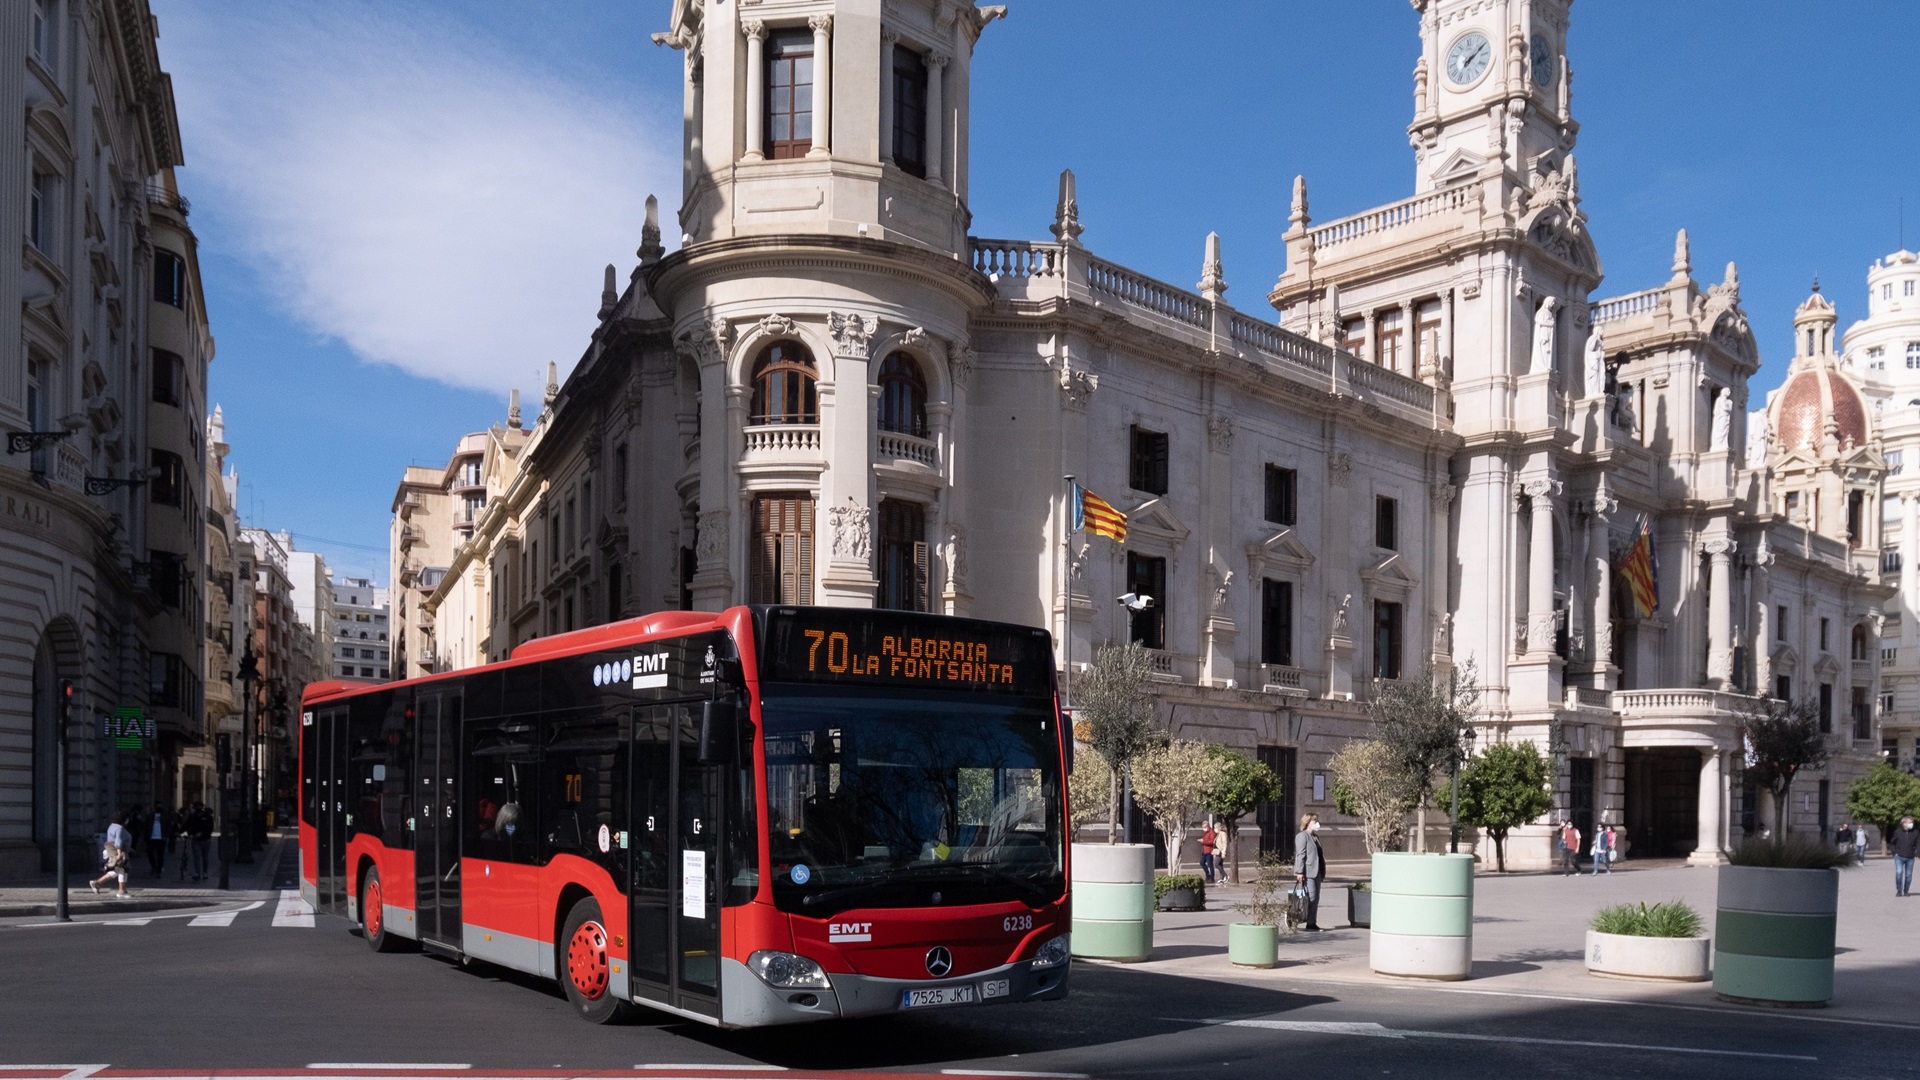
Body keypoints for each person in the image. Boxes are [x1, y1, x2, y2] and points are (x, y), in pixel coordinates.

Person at [1293, 812, 1326, 931]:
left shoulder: (1316, 837)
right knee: (1310, 897)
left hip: (1317, 872)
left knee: (1316, 898)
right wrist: (1299, 872)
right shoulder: (1302, 836)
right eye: (1314, 822)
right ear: (1307, 823)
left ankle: (1312, 922)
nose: (1317, 824)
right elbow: (1300, 854)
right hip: (1308, 872)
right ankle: (1304, 921)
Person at [90, 814, 133, 898]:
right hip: (118, 851)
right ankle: (120, 891)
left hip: (112, 850)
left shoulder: (112, 826)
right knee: (122, 869)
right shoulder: (119, 828)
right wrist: (119, 853)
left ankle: (100, 883)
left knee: (120, 870)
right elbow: (118, 841)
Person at [1891, 815, 1918, 897]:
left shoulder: (1915, 832)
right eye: (1909, 822)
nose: (1911, 824)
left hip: (1910, 857)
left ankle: (1906, 890)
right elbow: (1892, 843)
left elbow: (1918, 844)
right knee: (1899, 872)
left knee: (1908, 875)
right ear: (1904, 823)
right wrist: (1894, 852)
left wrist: (1918, 854)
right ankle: (1899, 890)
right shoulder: (1898, 832)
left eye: (1912, 822)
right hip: (1899, 856)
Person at [187, 800, 214, 881]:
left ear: (202, 807)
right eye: (196, 807)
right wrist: (186, 833)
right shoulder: (193, 816)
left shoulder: (208, 817)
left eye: (199, 807)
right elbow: (187, 825)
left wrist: (202, 833)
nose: (198, 808)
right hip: (196, 840)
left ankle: (205, 873)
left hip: (206, 840)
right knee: (196, 857)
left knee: (205, 857)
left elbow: (210, 828)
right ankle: (197, 873)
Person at [144, 801, 169, 876]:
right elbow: (146, 826)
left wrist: (166, 835)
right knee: (150, 853)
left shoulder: (165, 816)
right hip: (151, 838)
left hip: (161, 838)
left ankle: (159, 868)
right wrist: (146, 837)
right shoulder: (150, 816)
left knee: (160, 854)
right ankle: (153, 866)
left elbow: (168, 826)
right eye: (157, 806)